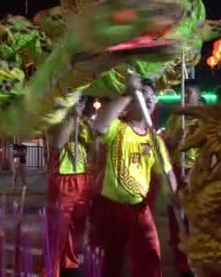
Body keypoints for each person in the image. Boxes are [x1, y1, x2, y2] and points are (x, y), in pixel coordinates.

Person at [89, 74, 176, 277]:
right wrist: (130, 93)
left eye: (152, 98)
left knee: (150, 259)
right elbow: (99, 125)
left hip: (139, 209)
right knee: (109, 263)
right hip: (109, 207)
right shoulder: (118, 127)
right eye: (143, 95)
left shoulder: (155, 140)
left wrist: (172, 192)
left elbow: (167, 172)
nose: (149, 100)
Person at [46, 97, 92, 277]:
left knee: (78, 227)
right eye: (77, 100)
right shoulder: (55, 118)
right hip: (62, 179)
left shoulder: (85, 123)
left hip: (83, 178)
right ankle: (58, 268)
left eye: (83, 100)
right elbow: (57, 142)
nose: (80, 103)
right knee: (60, 228)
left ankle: (71, 263)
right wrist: (72, 117)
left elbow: (94, 147)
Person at [164, 80, 201, 277]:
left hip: (198, 171)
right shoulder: (174, 118)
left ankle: (199, 261)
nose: (185, 96)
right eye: (183, 93)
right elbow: (168, 145)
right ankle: (182, 265)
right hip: (178, 170)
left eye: (190, 92)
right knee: (177, 217)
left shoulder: (204, 118)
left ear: (198, 95)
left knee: (197, 218)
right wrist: (176, 137)